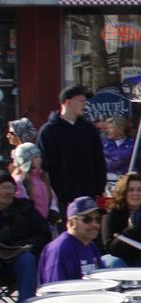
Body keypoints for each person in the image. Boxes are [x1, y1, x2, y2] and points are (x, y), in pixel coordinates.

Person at [36, 85, 106, 217]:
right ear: (67, 102)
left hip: (88, 197)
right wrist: (52, 193)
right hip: (61, 199)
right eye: (81, 100)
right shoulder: (48, 131)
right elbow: (42, 166)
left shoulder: (89, 130)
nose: (84, 104)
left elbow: (99, 160)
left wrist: (99, 188)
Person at [0, 172, 50, 303]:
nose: (8, 192)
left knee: (28, 260)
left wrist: (29, 244)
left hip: (20, 257)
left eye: (11, 187)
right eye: (4, 188)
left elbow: (43, 233)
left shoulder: (25, 208)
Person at [101, 173, 141, 269]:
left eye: (139, 190)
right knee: (116, 263)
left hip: (139, 257)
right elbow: (111, 249)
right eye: (130, 190)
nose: (135, 194)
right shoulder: (113, 212)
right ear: (123, 192)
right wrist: (131, 230)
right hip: (116, 256)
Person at [37, 196, 105, 284]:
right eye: (87, 219)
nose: (95, 224)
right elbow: (56, 291)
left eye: (98, 219)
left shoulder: (91, 245)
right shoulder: (59, 249)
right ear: (72, 223)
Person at [11, 143, 60, 229]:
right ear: (26, 160)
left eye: (39, 157)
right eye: (36, 157)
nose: (39, 160)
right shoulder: (20, 181)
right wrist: (36, 219)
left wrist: (53, 209)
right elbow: (23, 202)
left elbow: (52, 195)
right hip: (31, 225)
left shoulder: (42, 177)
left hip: (47, 222)